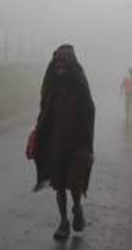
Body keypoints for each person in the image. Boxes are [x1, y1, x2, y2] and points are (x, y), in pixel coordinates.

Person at [31, 44, 95, 240]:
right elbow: (44, 115)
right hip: (56, 146)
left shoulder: (80, 90)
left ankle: (77, 208)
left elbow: (89, 114)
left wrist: (87, 146)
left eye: (63, 64)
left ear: (70, 65)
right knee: (59, 185)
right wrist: (37, 135)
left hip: (77, 147)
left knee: (74, 183)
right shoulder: (53, 91)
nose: (59, 68)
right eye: (57, 64)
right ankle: (63, 222)